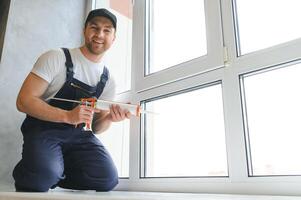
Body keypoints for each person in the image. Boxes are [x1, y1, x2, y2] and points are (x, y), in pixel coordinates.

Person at [12, 8, 131, 192]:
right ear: (84, 30)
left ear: (114, 38)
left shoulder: (108, 80)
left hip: (78, 136)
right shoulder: (56, 57)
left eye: (107, 30)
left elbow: (97, 127)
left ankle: (50, 171)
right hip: (43, 129)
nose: (100, 34)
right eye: (94, 27)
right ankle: (38, 171)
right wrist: (68, 116)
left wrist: (109, 118)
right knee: (42, 177)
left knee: (107, 179)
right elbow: (24, 101)